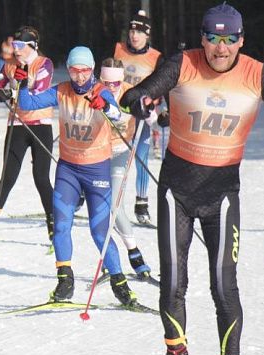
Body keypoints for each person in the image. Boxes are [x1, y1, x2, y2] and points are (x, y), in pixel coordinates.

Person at [120, 3, 264, 355]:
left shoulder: (258, 73)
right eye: (213, 38)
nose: (220, 47)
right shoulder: (181, 63)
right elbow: (134, 95)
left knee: (223, 286)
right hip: (176, 192)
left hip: (222, 196)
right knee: (173, 283)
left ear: (241, 40)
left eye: (229, 39)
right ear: (202, 38)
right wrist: (140, 103)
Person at [17, 46, 138, 307]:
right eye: (74, 70)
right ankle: (64, 280)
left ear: (92, 70)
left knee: (99, 231)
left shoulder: (101, 90)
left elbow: (119, 117)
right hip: (68, 169)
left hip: (97, 169)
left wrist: (105, 105)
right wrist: (22, 83)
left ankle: (120, 285)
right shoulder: (61, 91)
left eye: (84, 71)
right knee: (61, 225)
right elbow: (27, 105)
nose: (79, 76)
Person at [0, 26, 56, 247]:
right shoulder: (9, 65)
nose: (16, 50)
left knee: (41, 178)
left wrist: (12, 90)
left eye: (20, 46)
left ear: (32, 46)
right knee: (8, 177)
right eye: (14, 46)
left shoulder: (43, 63)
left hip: (40, 125)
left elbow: (38, 89)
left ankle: (54, 227)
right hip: (17, 125)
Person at [98, 58, 153, 279]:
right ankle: (108, 259)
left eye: (115, 83)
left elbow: (149, 113)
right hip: (97, 152)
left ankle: (134, 251)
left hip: (121, 150)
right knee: (100, 206)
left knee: (114, 202)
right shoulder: (95, 92)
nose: (111, 88)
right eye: (106, 83)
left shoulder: (131, 93)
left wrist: (150, 114)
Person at [114, 9, 162, 226]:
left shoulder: (156, 57)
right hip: (117, 114)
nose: (134, 36)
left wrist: (162, 110)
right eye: (132, 31)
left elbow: (163, 86)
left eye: (139, 32)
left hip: (142, 115)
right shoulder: (118, 49)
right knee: (107, 156)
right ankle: (89, 194)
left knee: (141, 159)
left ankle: (141, 206)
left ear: (147, 35)